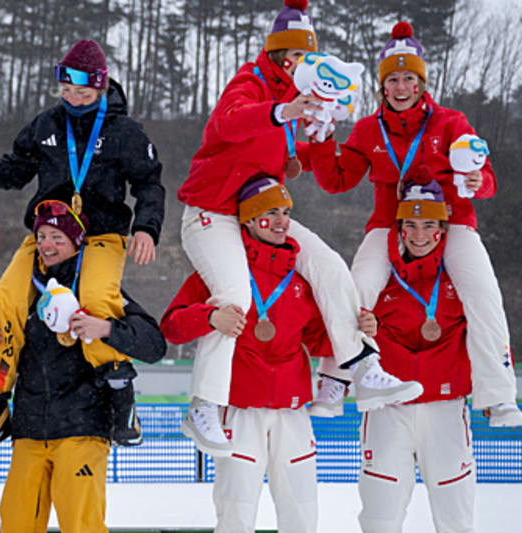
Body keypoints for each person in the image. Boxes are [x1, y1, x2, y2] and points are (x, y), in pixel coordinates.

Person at [174, 0, 421, 455]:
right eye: (286, 56)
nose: (293, 64)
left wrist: (324, 136)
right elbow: (230, 124)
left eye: (301, 58)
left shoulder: (300, 97)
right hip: (213, 213)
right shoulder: (251, 84)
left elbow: (300, 161)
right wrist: (283, 112)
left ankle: (358, 366)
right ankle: (205, 403)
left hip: (262, 213)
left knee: (327, 264)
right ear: (272, 54)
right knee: (235, 296)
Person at [308, 21, 522, 428]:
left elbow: (486, 176)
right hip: (390, 224)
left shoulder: (450, 122)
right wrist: (321, 139)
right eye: (393, 79)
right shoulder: (369, 129)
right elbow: (337, 180)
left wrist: (479, 182)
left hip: (453, 221)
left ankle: (498, 395)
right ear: (382, 86)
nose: (401, 86)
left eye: (409, 77)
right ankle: (335, 381)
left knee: (481, 292)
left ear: (422, 83)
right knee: (356, 289)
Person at [162, 177, 352, 533]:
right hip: (239, 415)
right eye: (271, 214)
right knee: (235, 532)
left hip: (292, 417)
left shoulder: (301, 278)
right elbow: (172, 326)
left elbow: (320, 337)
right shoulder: (220, 272)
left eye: (286, 213)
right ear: (248, 220)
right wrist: (209, 315)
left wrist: (358, 324)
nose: (282, 222)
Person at [0, 197, 166, 533]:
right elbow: (3, 344)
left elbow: (155, 343)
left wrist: (107, 328)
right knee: (17, 525)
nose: (47, 244)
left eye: (57, 237)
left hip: (83, 429)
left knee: (81, 528)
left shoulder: (98, 291)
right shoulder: (21, 290)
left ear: (77, 243)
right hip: (28, 431)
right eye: (41, 237)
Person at [0, 38, 164, 448]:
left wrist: (146, 227)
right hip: (48, 231)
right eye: (66, 91)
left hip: (101, 234)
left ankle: (120, 392)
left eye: (83, 93)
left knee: (95, 297)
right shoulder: (46, 125)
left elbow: (149, 183)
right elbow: (16, 171)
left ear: (102, 88)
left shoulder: (123, 131)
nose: (73, 99)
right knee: (2, 305)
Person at [350, 168, 498, 533]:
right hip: (388, 412)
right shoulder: (377, 274)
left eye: (429, 225)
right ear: (397, 228)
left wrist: (497, 390)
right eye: (410, 225)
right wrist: (364, 328)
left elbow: (490, 332)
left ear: (443, 227)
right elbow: (342, 328)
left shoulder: (462, 276)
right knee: (380, 530)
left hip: (447, 414)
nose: (420, 235)